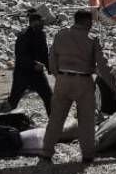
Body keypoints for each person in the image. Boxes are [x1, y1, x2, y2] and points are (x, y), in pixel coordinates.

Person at [41, 9, 109, 164]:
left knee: (56, 118)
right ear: (87, 22)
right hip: (83, 82)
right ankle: (87, 156)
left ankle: (46, 153)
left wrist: (58, 75)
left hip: (63, 81)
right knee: (86, 120)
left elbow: (51, 58)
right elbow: (102, 65)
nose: (92, 25)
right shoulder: (92, 38)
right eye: (91, 22)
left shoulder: (61, 35)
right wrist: (113, 85)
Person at [5, 9, 52, 115]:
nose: (43, 24)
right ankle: (5, 123)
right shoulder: (23, 35)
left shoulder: (41, 35)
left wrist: (49, 68)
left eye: (42, 21)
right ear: (32, 22)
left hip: (37, 74)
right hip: (22, 73)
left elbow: (44, 53)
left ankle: (53, 124)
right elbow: (20, 55)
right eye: (40, 22)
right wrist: (34, 64)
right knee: (14, 100)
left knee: (49, 97)